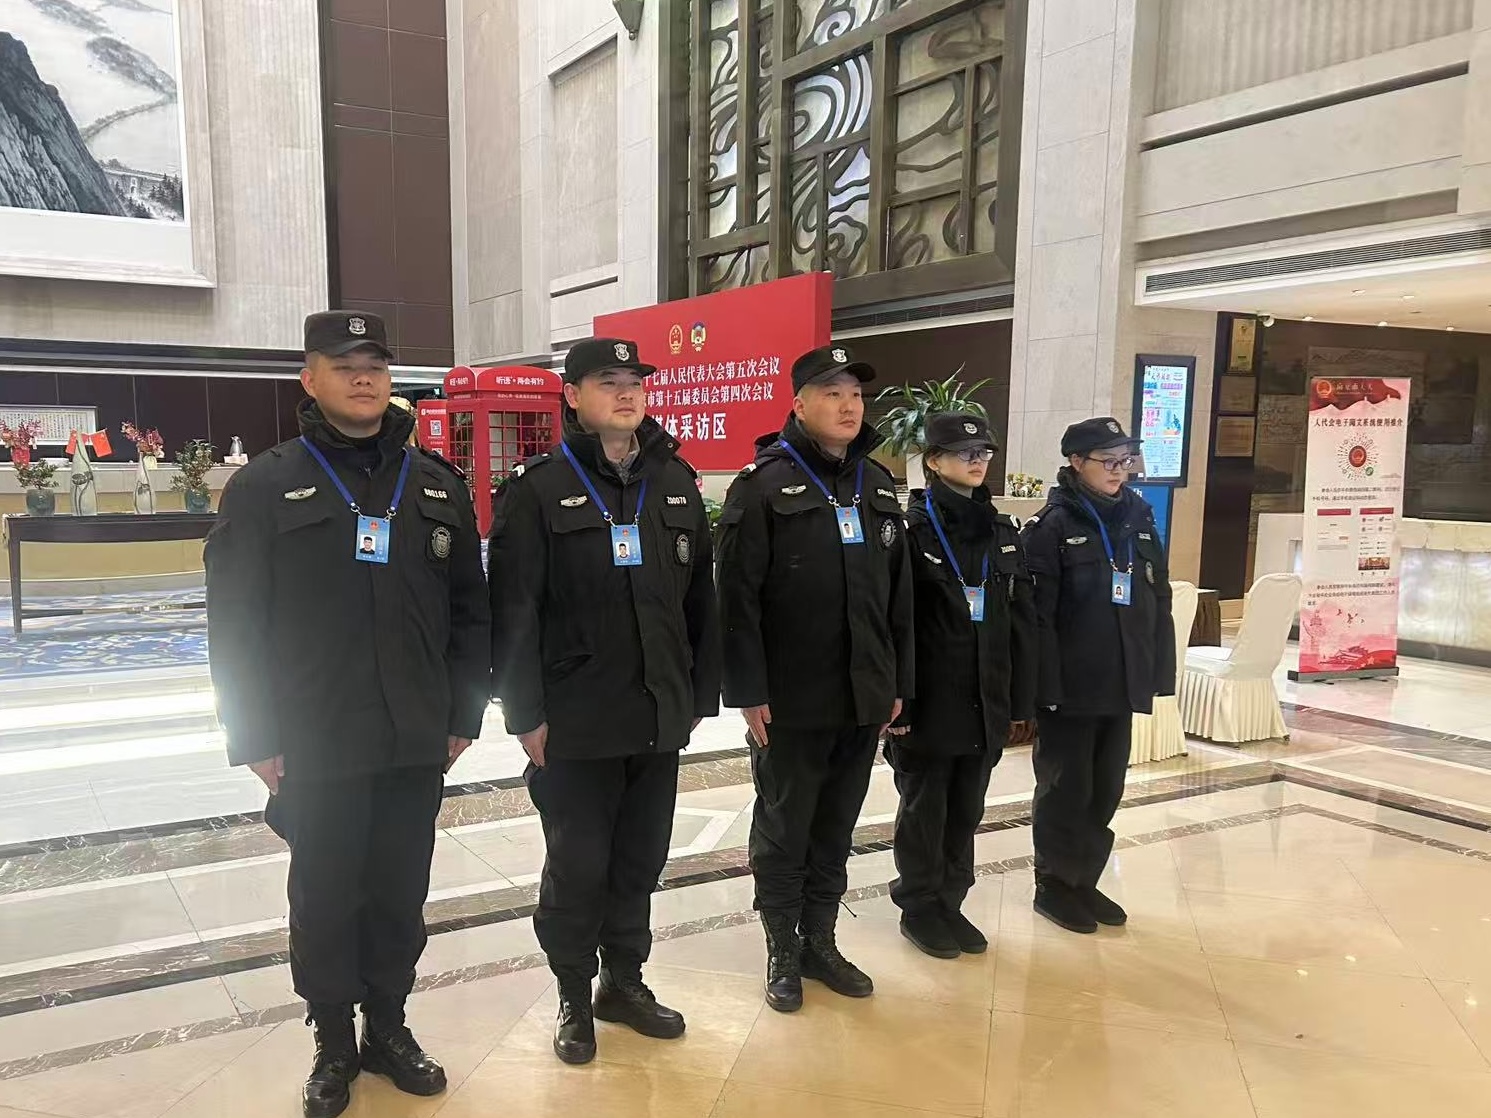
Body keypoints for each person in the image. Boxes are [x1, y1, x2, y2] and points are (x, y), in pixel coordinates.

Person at [205, 311, 490, 1118]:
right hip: (315, 736)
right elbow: (234, 621)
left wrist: (463, 713)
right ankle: (333, 1040)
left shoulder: (434, 484)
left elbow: (470, 611)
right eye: (343, 364)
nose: (363, 377)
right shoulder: (266, 484)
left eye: (375, 364)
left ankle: (388, 1028)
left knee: (399, 891)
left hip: (414, 735)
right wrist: (254, 734)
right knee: (325, 895)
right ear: (310, 378)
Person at [489, 337, 721, 1066]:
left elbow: (700, 599)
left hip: (656, 714)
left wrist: (697, 695)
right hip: (576, 718)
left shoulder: (674, 482)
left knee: (640, 858)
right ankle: (571, 992)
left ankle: (623, 981)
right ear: (573, 395)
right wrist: (524, 713)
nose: (626, 393)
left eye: (634, 382)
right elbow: (513, 612)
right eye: (607, 381)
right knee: (578, 864)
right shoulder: (536, 489)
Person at [716, 343, 913, 1013]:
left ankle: (820, 942)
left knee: (835, 827)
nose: (849, 405)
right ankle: (781, 948)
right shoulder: (762, 485)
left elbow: (898, 596)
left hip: (862, 695)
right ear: (798, 404)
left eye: (855, 394)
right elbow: (735, 597)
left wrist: (896, 680)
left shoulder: (876, 485)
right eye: (832, 393)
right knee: (784, 828)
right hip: (790, 699)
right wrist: (747, 692)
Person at [884, 412, 1036, 958]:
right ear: (933, 460)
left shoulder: (1001, 531)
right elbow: (895, 622)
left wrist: (1019, 703)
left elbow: (1020, 623)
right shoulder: (910, 531)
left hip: (985, 698)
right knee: (925, 809)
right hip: (930, 701)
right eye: (964, 452)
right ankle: (920, 906)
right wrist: (899, 703)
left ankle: (951, 900)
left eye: (984, 453)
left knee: (967, 808)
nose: (977, 461)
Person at [1020, 417, 1175, 934]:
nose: (1118, 470)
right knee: (1066, 788)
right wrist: (1043, 688)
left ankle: (1084, 880)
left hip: (1122, 679)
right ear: (1075, 462)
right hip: (1071, 686)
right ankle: (1054, 884)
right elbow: (1038, 617)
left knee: (1106, 788)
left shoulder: (1139, 518)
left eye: (1125, 460)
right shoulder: (1052, 527)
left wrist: (1157, 672)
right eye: (1107, 461)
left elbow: (1158, 598)